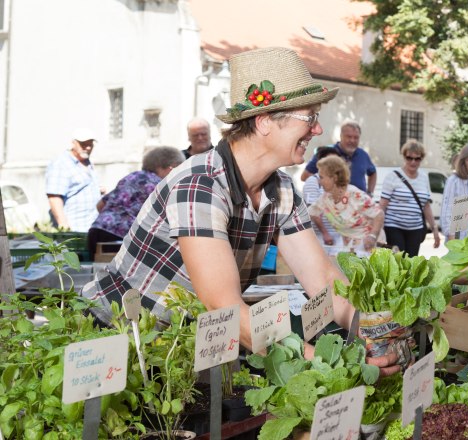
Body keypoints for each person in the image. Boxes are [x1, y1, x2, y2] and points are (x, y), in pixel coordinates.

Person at [81, 47, 400, 373]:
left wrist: (374, 336)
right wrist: (328, 364)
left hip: (177, 346)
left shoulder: (282, 191)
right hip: (116, 339)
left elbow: (324, 279)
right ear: (264, 123)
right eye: (311, 117)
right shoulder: (201, 185)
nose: (318, 130)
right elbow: (224, 307)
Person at [86, 146, 184, 260]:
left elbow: (100, 205)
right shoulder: (160, 186)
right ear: (170, 168)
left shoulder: (133, 176)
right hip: (120, 238)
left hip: (96, 231)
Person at [309, 155, 384, 256]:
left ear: (334, 178)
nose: (319, 181)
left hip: (368, 247)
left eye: (322, 177)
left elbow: (379, 214)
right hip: (348, 247)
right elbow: (308, 213)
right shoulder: (326, 199)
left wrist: (372, 236)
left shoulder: (354, 195)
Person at [378, 140, 440, 256]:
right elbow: (382, 205)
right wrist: (378, 229)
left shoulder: (423, 177)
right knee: (399, 260)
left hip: (415, 228)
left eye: (417, 159)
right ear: (404, 157)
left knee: (412, 263)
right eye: (409, 158)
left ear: (421, 159)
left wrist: (434, 229)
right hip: (394, 226)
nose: (413, 162)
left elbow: (426, 206)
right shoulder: (392, 176)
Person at [45, 129, 103, 232]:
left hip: (91, 227)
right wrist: (63, 225)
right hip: (74, 229)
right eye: (83, 144)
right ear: (73, 143)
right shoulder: (61, 164)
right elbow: (54, 197)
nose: (88, 147)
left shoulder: (87, 163)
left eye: (90, 144)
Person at [300, 121, 377, 195]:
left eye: (356, 137)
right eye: (349, 136)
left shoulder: (363, 154)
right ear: (341, 136)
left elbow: (373, 172)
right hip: (333, 202)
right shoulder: (327, 153)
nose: (352, 140)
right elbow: (305, 176)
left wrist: (370, 193)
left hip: (359, 202)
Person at [302, 146, 341, 245]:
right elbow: (313, 210)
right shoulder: (313, 181)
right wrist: (325, 233)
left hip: (339, 236)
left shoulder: (338, 182)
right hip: (320, 237)